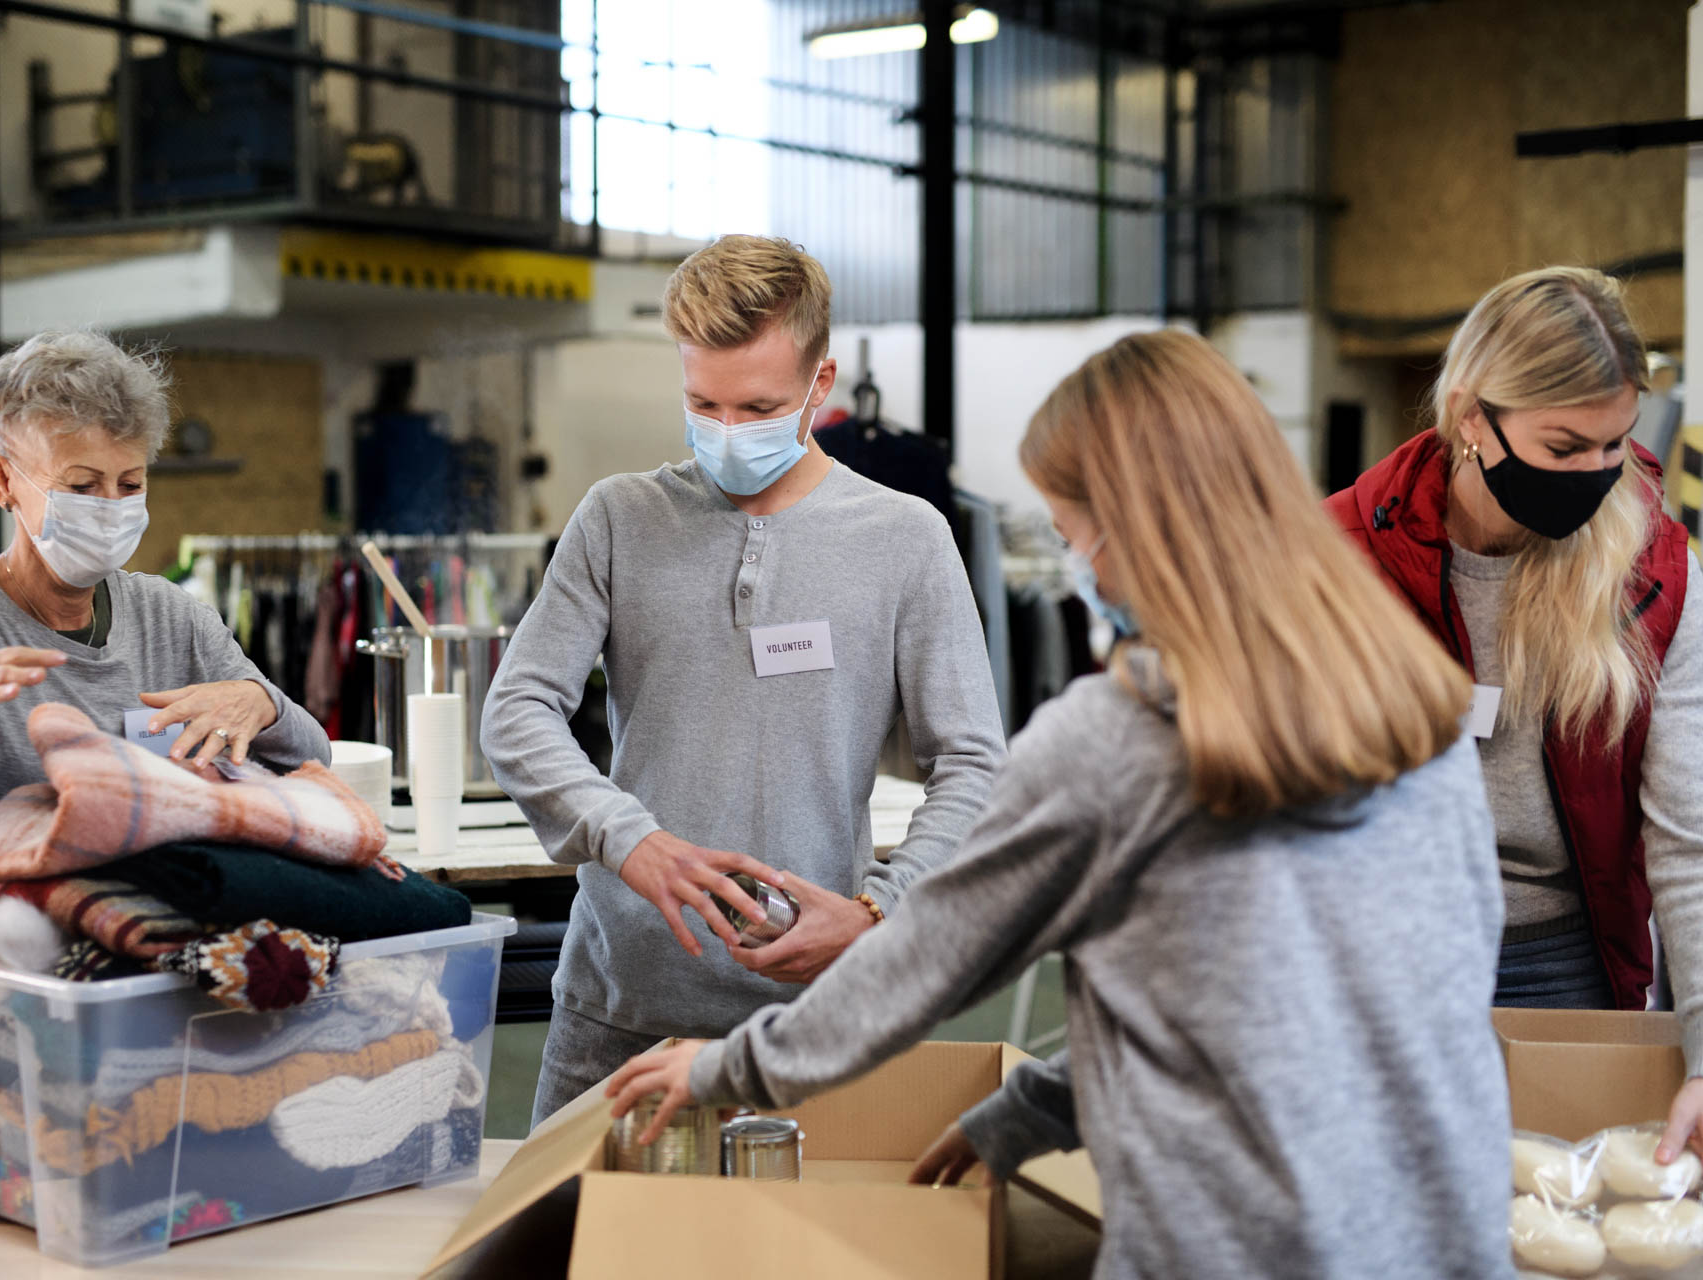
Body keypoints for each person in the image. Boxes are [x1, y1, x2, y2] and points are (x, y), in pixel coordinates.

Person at [607, 329, 1513, 1279]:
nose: (1075, 564)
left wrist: (722, 1068)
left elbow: (927, 958)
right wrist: (1036, 1109)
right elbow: (1280, 1002)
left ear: (1131, 531)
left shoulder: (1122, 739)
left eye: (1070, 533)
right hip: (1445, 1234)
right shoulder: (1420, 708)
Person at [0, 330, 331, 1226]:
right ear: (5, 481)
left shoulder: (172, 618)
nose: (113, 509)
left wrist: (259, 704)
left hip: (118, 1029)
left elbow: (309, 753)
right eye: (82, 487)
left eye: (131, 485)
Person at [481, 235, 1005, 1126]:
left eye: (758, 407)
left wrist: (881, 911)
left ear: (819, 386)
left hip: (813, 1017)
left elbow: (975, 767)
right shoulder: (619, 518)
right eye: (703, 403)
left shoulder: (906, 538)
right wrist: (626, 839)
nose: (727, 432)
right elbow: (518, 709)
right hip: (618, 1006)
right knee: (564, 1254)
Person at [1325, 267, 1703, 1162]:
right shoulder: (1343, 557)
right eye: (1565, 446)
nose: (1597, 475)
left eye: (1615, 445)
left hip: (1566, 962)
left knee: (1562, 1215)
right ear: (1471, 417)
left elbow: (1688, 833)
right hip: (1382, 965)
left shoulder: (1652, 567)